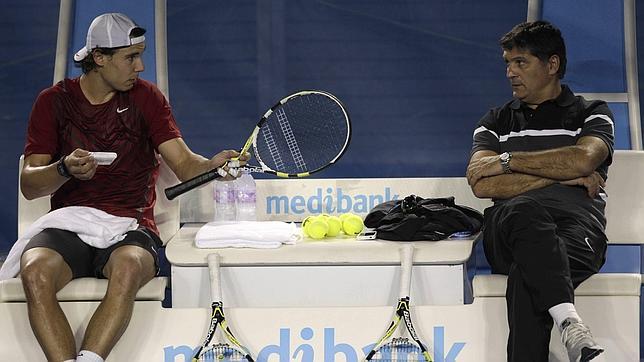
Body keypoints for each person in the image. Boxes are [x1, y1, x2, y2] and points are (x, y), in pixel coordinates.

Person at [18, 13, 246, 362]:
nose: (140, 66)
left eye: (141, 55)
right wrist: (63, 169)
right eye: (130, 57)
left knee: (126, 267)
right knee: (34, 271)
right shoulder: (53, 101)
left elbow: (185, 165)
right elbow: (30, 185)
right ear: (99, 58)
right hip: (70, 224)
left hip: (132, 226)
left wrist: (212, 167)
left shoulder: (147, 99)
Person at [466, 21, 614, 362]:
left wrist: (507, 161)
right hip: (508, 229)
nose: (510, 72)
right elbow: (480, 181)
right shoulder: (495, 120)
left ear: (552, 65)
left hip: (577, 231)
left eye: (521, 62)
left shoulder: (592, 113)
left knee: (526, 274)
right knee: (523, 211)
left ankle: (565, 323)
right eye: (507, 62)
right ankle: (570, 322)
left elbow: (584, 158)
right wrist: (560, 175)